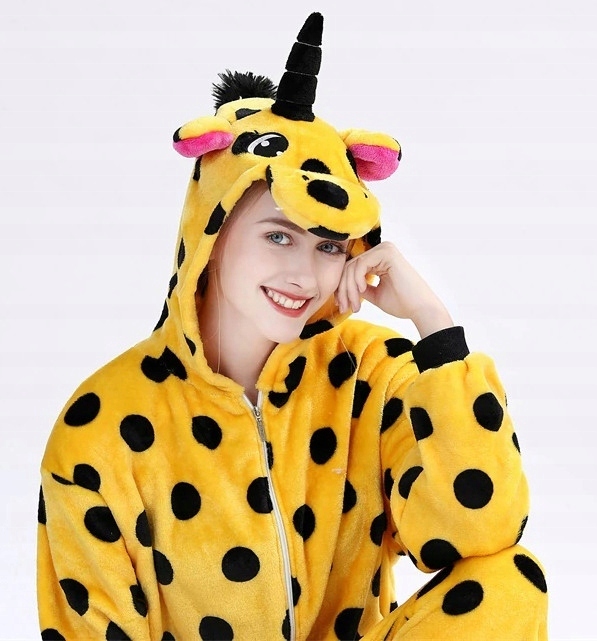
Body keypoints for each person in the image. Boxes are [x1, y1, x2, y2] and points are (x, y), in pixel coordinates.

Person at [37, 12, 548, 641]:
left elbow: (481, 531)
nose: (305, 274)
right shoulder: (102, 425)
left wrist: (436, 331)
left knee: (509, 582)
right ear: (212, 232)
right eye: (278, 236)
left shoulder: (372, 372)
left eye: (329, 246)